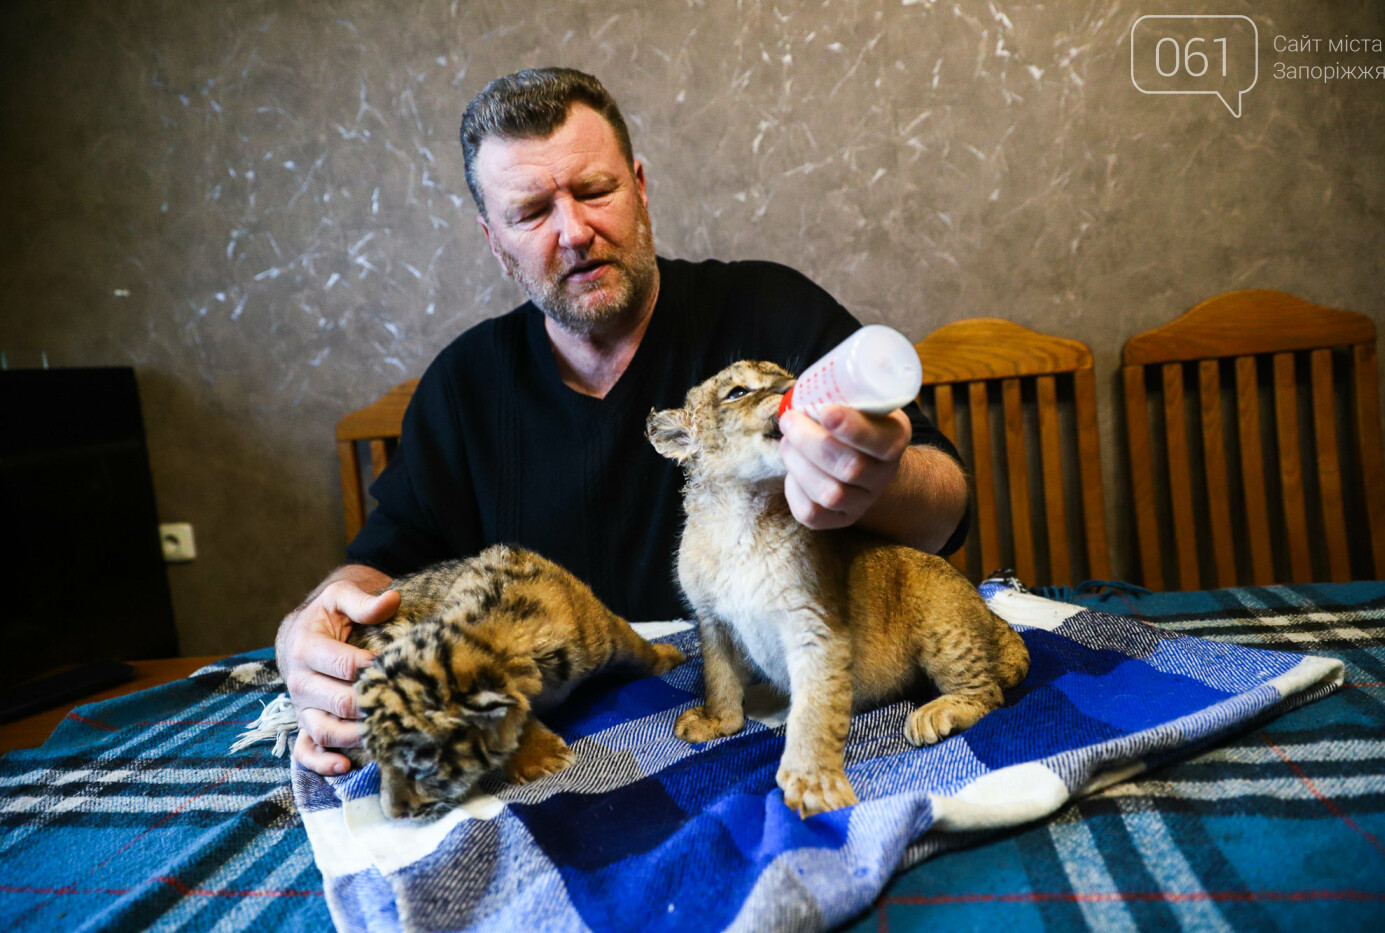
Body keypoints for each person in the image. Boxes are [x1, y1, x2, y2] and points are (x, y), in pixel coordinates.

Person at [276, 67, 970, 776]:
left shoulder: (770, 310)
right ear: (493, 238)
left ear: (639, 186)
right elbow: (375, 574)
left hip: (789, 710)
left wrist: (873, 479)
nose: (575, 232)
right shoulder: (462, 386)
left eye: (595, 190)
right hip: (563, 756)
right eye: (531, 212)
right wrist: (309, 628)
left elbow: (945, 505)